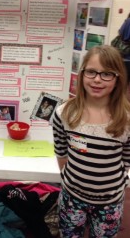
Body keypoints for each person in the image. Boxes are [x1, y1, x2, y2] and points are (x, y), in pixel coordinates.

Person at [53, 45, 130, 237]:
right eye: (92, 72)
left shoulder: (126, 118)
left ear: (118, 78)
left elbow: (126, 159)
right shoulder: (65, 113)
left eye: (107, 74)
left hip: (109, 202)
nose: (97, 79)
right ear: (82, 74)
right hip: (72, 198)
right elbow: (61, 153)